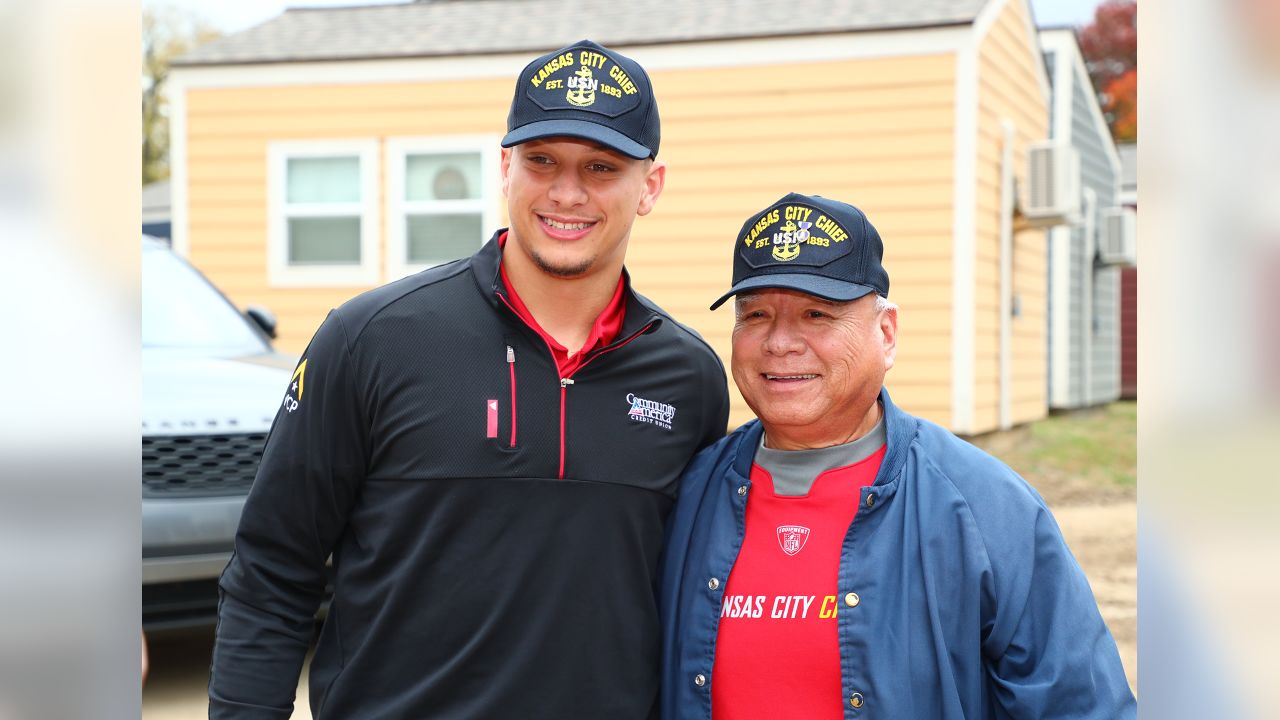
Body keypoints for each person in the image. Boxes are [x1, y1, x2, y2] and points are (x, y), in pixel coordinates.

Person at [208, 39, 729, 719]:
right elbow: (270, 576)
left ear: (650, 186)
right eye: (542, 161)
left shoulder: (688, 379)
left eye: (601, 167)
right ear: (506, 166)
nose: (567, 193)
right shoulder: (372, 339)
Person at [658, 193, 1136, 718]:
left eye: (817, 314)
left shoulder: (984, 506)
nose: (780, 342)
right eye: (756, 315)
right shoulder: (690, 490)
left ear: (885, 333)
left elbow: (1078, 705)